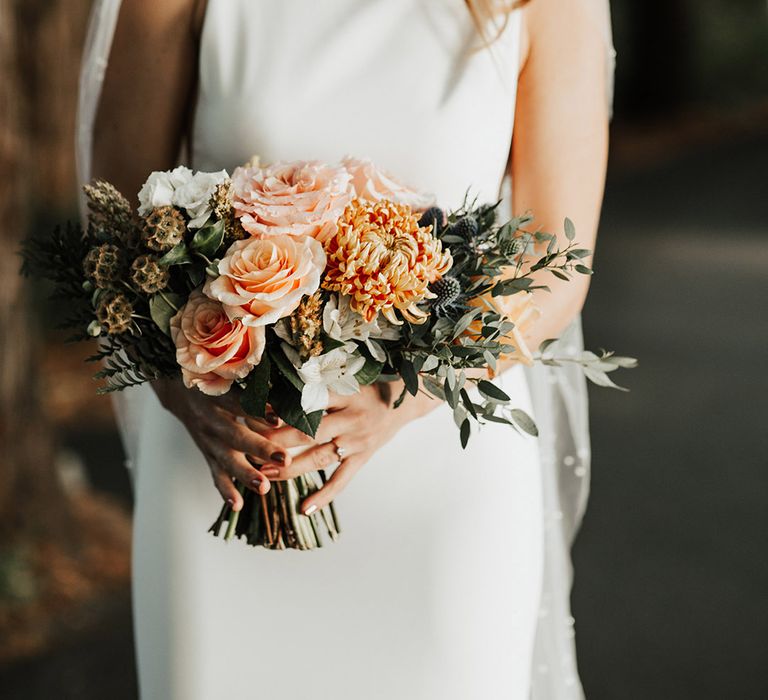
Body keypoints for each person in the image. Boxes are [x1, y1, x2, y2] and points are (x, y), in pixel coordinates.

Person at [80, 0, 613, 697]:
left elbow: (557, 264)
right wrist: (185, 391)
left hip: (442, 486)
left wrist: (406, 393)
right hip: (233, 471)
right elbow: (116, 228)